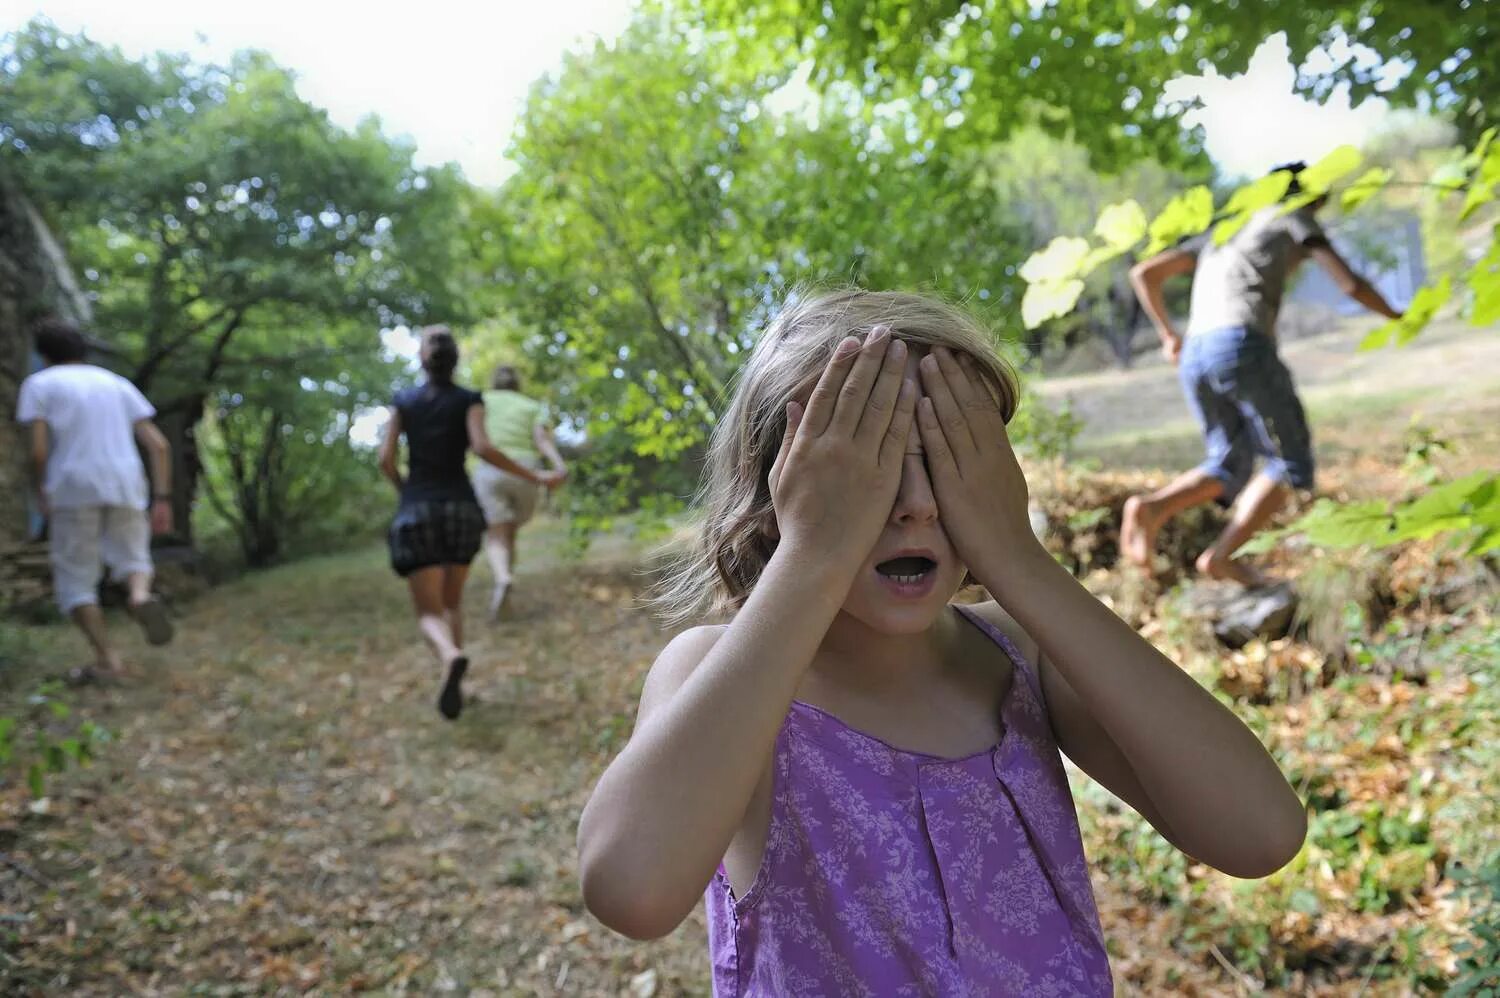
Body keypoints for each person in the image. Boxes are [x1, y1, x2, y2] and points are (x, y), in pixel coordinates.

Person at [576, 290, 1306, 993]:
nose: (918, 504)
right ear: (772, 499)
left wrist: (1018, 558)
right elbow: (630, 890)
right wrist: (812, 556)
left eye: (950, 458)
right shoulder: (724, 676)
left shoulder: (1021, 656)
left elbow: (1260, 834)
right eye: (872, 469)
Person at [1121, 163, 1404, 586]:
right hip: (1241, 345)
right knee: (1291, 464)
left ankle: (1152, 508)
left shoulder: (1227, 229)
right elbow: (1348, 284)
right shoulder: (1293, 214)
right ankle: (1221, 556)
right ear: (1306, 196)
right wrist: (1398, 316)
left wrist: (1168, 336)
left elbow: (1144, 273)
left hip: (1196, 352)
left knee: (1229, 464)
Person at [378, 327, 563, 720]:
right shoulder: (468, 400)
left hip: (419, 509)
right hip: (462, 510)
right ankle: (459, 684)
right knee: (452, 602)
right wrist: (537, 477)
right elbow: (482, 448)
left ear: (422, 360)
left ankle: (450, 655)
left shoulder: (404, 402)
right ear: (455, 360)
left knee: (429, 611)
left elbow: (386, 459)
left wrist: (404, 490)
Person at [16, 317, 176, 682]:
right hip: (125, 481)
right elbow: (159, 445)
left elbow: (39, 451)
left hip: (72, 485)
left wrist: (39, 488)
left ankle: (108, 660)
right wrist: (162, 498)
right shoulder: (117, 384)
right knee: (133, 557)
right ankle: (139, 595)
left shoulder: (39, 384)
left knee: (75, 579)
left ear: (42, 354)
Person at [475, 365, 567, 621]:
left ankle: (503, 577)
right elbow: (542, 441)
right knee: (510, 530)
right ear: (517, 383)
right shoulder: (530, 406)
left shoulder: (481, 401)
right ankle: (506, 592)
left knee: (497, 531)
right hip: (527, 471)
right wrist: (558, 466)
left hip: (491, 469)